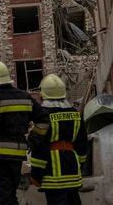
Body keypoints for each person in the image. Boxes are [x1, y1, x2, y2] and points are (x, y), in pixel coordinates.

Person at [0, 61, 46, 205]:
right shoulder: (25, 97)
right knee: (11, 195)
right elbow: (44, 121)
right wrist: (33, 139)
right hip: (17, 157)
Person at [28, 74, 88, 205]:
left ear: (43, 95)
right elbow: (83, 146)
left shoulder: (43, 115)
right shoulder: (75, 114)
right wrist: (79, 166)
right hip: (73, 170)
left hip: (53, 174)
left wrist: (36, 175)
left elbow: (40, 148)